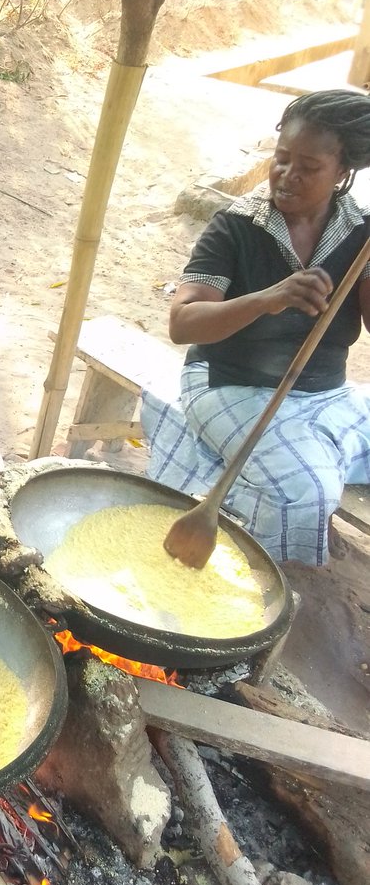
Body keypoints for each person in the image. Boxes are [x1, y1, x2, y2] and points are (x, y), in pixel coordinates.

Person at [142, 89, 370, 567]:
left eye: (308, 166)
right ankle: (273, 587)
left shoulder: (360, 233)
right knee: (305, 493)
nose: (288, 174)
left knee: (311, 476)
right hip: (229, 383)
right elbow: (184, 324)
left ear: (342, 173)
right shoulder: (236, 227)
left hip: (325, 394)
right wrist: (268, 299)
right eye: (282, 158)